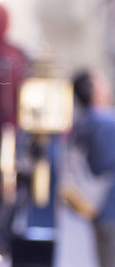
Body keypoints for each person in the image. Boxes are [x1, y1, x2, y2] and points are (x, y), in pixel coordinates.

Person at [72, 70, 115, 267]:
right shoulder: (106, 122)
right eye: (101, 81)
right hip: (109, 203)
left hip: (98, 203)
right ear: (93, 90)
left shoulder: (85, 120)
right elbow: (106, 163)